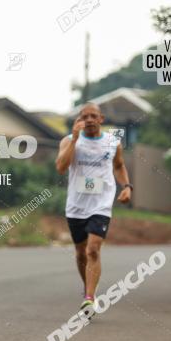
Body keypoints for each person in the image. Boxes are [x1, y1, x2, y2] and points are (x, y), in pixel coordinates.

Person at [55, 103, 132, 320]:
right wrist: (75, 139)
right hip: (76, 206)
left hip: (101, 203)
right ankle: (88, 289)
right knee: (80, 253)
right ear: (78, 120)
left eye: (93, 116)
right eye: (84, 116)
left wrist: (127, 186)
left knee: (93, 250)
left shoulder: (112, 142)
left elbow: (119, 165)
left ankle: (89, 297)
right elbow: (61, 167)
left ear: (101, 119)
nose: (89, 120)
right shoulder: (69, 140)